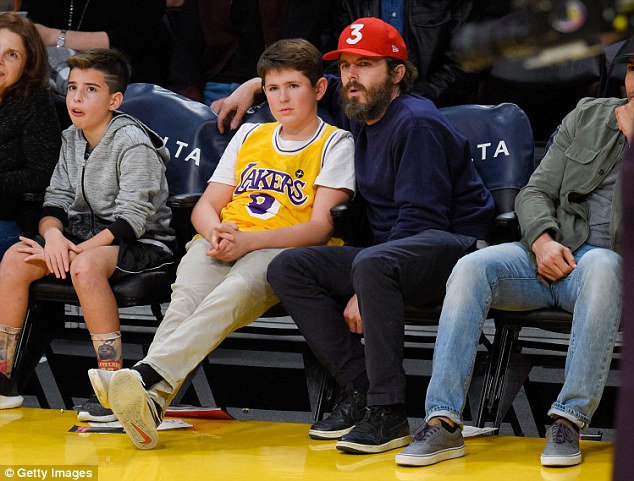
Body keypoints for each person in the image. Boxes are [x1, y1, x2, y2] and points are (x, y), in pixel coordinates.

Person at [209, 18, 495, 455]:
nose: (350, 77)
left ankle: (389, 412)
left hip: (451, 250)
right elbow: (307, 82)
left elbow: (421, 220)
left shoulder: (416, 123)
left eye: (365, 65)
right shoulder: (360, 103)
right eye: (345, 66)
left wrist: (364, 286)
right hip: (387, 254)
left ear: (397, 73)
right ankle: (361, 386)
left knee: (371, 263)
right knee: (290, 266)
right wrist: (253, 84)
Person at [86, 38, 355, 450]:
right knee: (186, 297)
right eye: (273, 88)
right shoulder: (250, 135)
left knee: (228, 296)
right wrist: (215, 233)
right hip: (226, 239)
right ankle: (150, 402)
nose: (282, 98)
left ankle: (145, 376)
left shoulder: (335, 142)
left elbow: (319, 228)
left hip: (284, 251)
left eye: (294, 86)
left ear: (318, 89)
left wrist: (247, 242)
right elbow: (207, 205)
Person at [393, 54, 630, 471]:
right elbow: (534, 191)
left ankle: (568, 421)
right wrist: (541, 240)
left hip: (607, 271)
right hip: (547, 255)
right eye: (633, 71)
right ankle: (443, 419)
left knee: (606, 266)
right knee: (473, 265)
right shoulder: (589, 115)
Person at [0, 48, 175, 418]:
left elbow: (132, 221)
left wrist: (75, 253)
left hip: (142, 244)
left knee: (85, 267)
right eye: (72, 88)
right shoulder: (71, 138)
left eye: (90, 90)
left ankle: (112, 384)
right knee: (15, 259)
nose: (76, 98)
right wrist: (55, 239)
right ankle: (4, 376)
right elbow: (54, 202)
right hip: (85, 239)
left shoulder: (132, 142)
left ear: (114, 100)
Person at [168, 0, 336, 105]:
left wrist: (260, 87)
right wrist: (191, 107)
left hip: (274, 88)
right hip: (211, 88)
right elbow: (186, 49)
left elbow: (297, 50)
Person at [331, 0, 485, 107]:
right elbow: (336, 55)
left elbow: (466, 62)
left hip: (440, 110)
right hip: (366, 111)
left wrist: (408, 102)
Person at [0, 12, 60, 257]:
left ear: (28, 63)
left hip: (10, 218)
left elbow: (43, 173)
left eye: (11, 55)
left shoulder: (35, 101)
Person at [22, 0, 169, 85]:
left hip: (122, 87)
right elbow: (30, 22)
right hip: (50, 86)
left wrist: (54, 37)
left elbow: (126, 41)